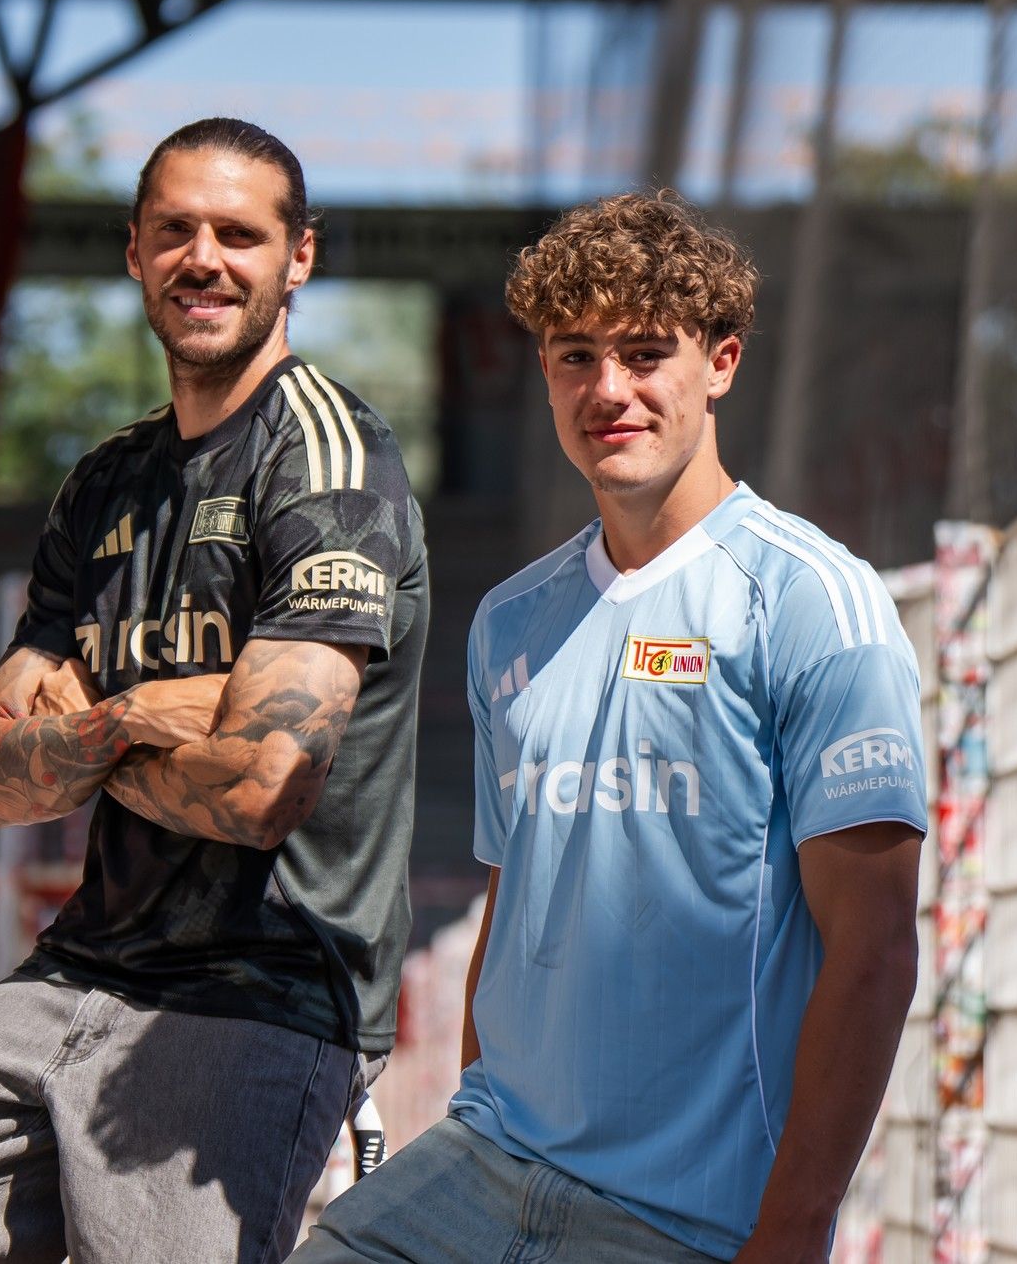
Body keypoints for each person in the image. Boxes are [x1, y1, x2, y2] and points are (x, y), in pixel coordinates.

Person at [0, 119, 430, 1264]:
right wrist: (148, 711)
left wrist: (93, 723)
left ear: (300, 258)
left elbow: (266, 785)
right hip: (84, 961)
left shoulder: (329, 456)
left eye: (240, 233)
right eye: (174, 230)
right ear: (134, 253)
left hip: (262, 985)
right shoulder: (105, 482)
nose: (204, 257)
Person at [293, 193, 924, 1263]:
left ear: (720, 363)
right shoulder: (508, 621)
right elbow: (515, 893)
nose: (608, 389)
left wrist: (793, 1229)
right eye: (575, 353)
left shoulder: (814, 598)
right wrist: (478, 1104)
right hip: (486, 1166)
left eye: (643, 351)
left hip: (683, 1219)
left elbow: (872, 947)